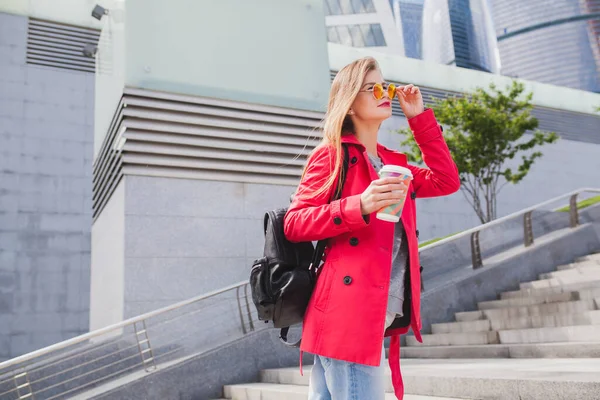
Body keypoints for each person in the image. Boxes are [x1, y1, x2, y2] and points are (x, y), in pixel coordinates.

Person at [283, 56, 460, 399]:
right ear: (349, 103)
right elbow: (295, 222)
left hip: (369, 313)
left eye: (386, 86)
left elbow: (446, 180)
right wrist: (359, 205)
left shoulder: (394, 163)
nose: (385, 93)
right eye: (373, 87)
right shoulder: (332, 156)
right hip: (347, 314)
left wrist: (419, 118)